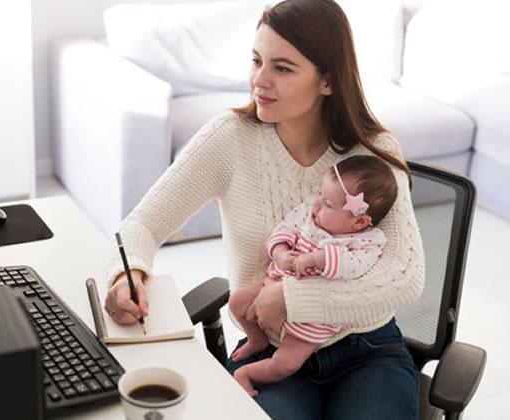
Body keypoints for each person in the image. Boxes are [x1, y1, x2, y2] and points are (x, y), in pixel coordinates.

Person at [103, 0, 425, 418]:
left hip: (367, 349)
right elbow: (144, 223)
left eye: (283, 68)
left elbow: (404, 276)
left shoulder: (375, 152)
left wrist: (292, 296)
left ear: (327, 80)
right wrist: (129, 275)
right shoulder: (229, 140)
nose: (259, 80)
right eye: (257, 61)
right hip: (269, 351)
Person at [229, 155, 398, 397]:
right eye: (320, 193)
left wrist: (318, 259)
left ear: (360, 221)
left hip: (315, 319)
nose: (316, 203)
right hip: (274, 286)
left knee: (286, 363)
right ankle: (257, 339)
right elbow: (284, 229)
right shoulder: (309, 214)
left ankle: (246, 374)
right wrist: (280, 253)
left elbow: (356, 267)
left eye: (328, 203)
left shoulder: (365, 241)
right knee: (236, 301)